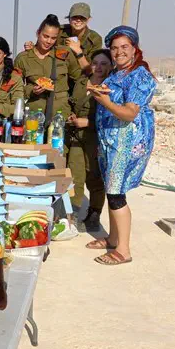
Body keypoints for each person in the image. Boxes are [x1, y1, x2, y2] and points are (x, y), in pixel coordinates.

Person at [89, 26, 156, 266]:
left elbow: (129, 113)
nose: (119, 52)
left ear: (135, 48)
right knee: (111, 188)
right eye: (115, 48)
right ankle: (113, 238)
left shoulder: (139, 76)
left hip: (126, 141)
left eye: (124, 47)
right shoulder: (116, 75)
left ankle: (123, 250)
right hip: (110, 140)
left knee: (116, 192)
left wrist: (104, 100)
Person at [67, 50, 111, 233]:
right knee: (74, 174)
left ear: (110, 67)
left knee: (94, 177)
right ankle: (73, 213)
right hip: (77, 136)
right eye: (95, 63)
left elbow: (111, 115)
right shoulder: (80, 83)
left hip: (97, 137)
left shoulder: (110, 87)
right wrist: (72, 116)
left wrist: (89, 122)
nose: (99, 67)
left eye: (104, 64)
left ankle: (94, 213)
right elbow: (71, 102)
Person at [15, 14, 82, 123]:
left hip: (61, 116)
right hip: (34, 116)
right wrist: (32, 91)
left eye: (53, 38)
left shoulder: (64, 53)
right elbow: (15, 88)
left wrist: (76, 109)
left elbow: (79, 80)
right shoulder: (23, 58)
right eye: (45, 36)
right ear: (38, 33)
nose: (49, 41)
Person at [24, 3, 102, 77]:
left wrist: (79, 52)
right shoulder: (59, 30)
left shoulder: (95, 39)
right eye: (75, 17)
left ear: (88, 19)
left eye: (82, 18)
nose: (78, 20)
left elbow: (91, 71)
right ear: (69, 18)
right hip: (56, 76)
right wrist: (32, 47)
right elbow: (41, 49)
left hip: (80, 81)